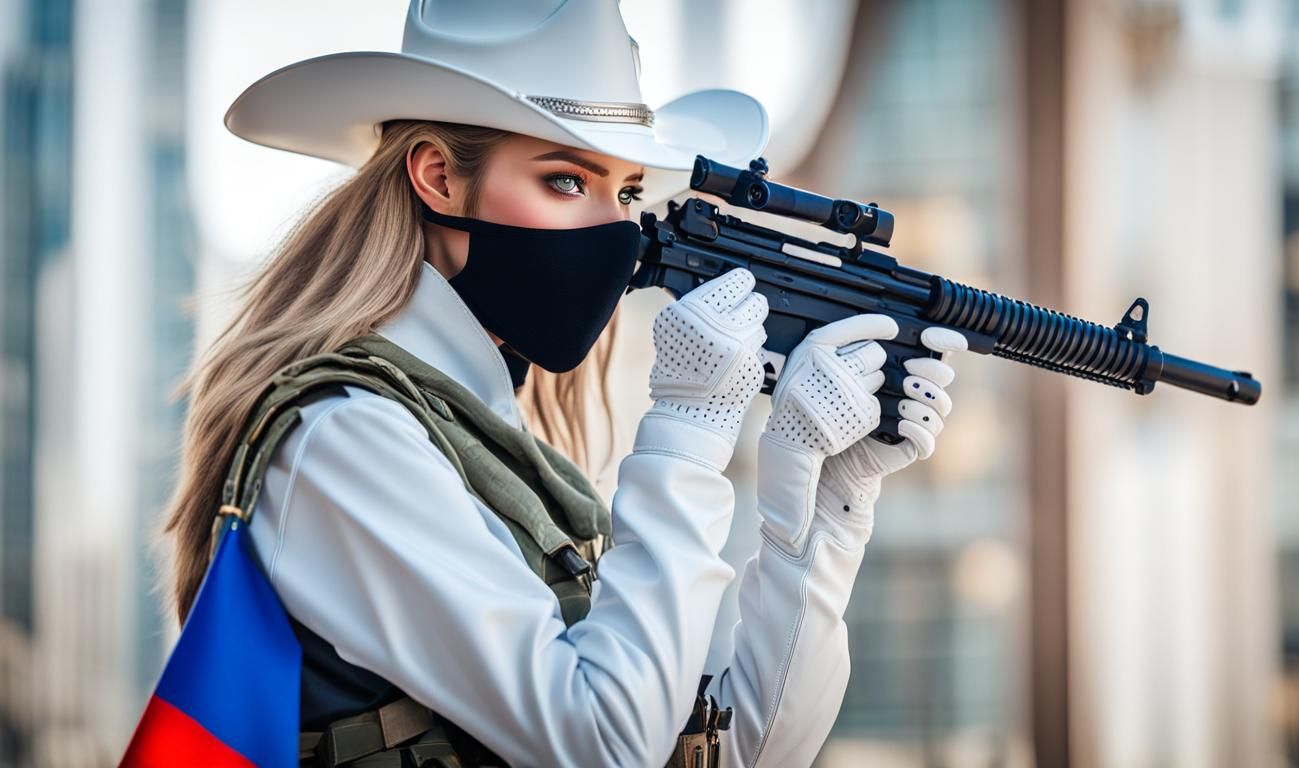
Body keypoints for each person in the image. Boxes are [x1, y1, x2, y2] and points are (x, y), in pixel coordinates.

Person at [160, 2, 967, 766]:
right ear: (437, 177)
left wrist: (817, 516)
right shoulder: (347, 436)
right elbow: (603, 748)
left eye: (624, 192)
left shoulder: (486, 438)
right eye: (567, 181)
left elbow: (727, 753)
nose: (614, 229)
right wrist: (688, 431)